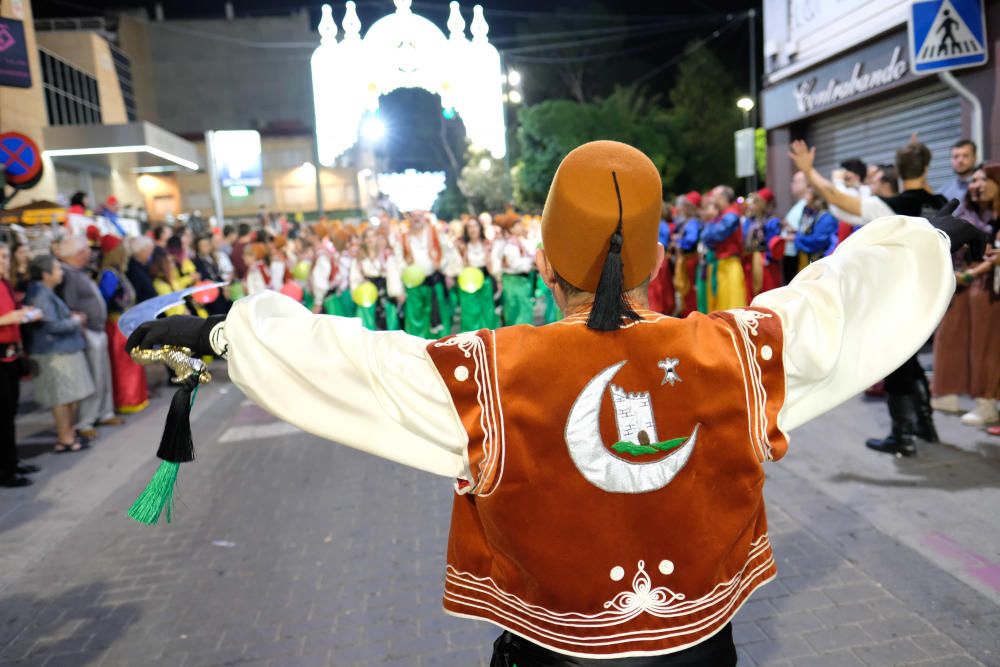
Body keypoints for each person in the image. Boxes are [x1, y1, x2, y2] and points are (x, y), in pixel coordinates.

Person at [127, 139, 985, 665]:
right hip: (701, 653)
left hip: (552, 658)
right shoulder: (735, 352)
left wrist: (224, 336)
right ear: (653, 262)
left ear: (543, 261)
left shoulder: (492, 373)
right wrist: (931, 236)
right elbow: (835, 304)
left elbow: (356, 363)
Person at [790, 138, 949, 456]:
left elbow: (837, 198)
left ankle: (902, 436)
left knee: (896, 363)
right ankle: (925, 425)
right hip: (934, 292)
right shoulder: (941, 202)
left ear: (899, 171)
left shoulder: (890, 207)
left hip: (899, 293)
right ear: (928, 167)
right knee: (912, 358)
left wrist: (809, 170)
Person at [931, 164, 1000, 426]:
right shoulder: (970, 211)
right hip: (964, 282)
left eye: (982, 179)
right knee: (951, 338)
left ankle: (986, 402)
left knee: (985, 347)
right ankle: (946, 392)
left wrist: (972, 273)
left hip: (983, 285)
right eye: (974, 180)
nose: (976, 185)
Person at [24, 255, 94, 453]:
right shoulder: (41, 294)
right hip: (55, 353)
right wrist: (75, 320)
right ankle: (65, 438)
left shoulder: (45, 292)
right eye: (57, 269)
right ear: (46, 274)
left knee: (68, 396)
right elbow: (51, 326)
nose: (61, 272)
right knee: (62, 398)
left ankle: (68, 434)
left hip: (62, 350)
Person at [56, 236, 120, 440]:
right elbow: (70, 306)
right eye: (85, 251)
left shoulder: (77, 273)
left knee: (102, 375)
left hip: (96, 329)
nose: (89, 254)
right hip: (88, 331)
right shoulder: (69, 275)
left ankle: (104, 412)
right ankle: (86, 421)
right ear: (78, 254)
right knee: (93, 377)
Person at [0, 243, 41, 487]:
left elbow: (11, 311)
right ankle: (6, 470)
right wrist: (9, 318)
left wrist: (22, 312)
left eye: (5, 256)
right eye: (1, 257)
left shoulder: (5, 282)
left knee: (10, 414)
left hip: (12, 356)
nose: (4, 261)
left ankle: (11, 461)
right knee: (3, 417)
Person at [97, 235, 149, 414]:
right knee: (124, 365)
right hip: (117, 325)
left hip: (124, 323)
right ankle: (127, 399)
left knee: (131, 363)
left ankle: (135, 397)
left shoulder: (117, 272)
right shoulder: (109, 274)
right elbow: (104, 300)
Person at [700, 185, 746, 311]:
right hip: (720, 266)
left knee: (731, 305)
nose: (712, 200)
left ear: (722, 198)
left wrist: (710, 224)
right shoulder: (723, 216)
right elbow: (706, 237)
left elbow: (714, 235)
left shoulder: (732, 215)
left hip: (729, 266)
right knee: (720, 305)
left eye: (714, 196)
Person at [349, 226, 402, 331]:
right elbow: (354, 278)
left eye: (373, 236)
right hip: (367, 297)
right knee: (367, 328)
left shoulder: (385, 255)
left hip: (385, 296)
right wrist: (357, 291)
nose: (370, 239)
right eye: (367, 237)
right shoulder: (358, 258)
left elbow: (393, 274)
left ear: (377, 238)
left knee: (390, 326)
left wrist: (397, 292)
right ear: (363, 240)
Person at [455, 216, 498, 331]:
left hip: (485, 281)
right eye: (469, 226)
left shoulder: (487, 244)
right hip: (468, 283)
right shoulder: (462, 246)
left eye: (475, 226)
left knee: (487, 313)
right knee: (470, 315)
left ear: (480, 228)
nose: (472, 229)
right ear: (466, 230)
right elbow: (458, 266)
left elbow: (493, 266)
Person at [741, 190, 783, 301]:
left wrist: (768, 259)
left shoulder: (772, 220)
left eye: (755, 202)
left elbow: (772, 242)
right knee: (751, 293)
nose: (751, 205)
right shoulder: (750, 220)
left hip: (766, 261)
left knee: (768, 292)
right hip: (751, 259)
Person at [794, 188, 840, 268]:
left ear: (816, 198)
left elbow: (817, 242)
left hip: (823, 264)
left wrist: (797, 238)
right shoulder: (814, 214)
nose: (804, 197)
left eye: (807, 194)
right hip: (813, 262)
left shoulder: (827, 218)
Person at [782, 171, 808, 284]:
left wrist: (794, 234)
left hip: (798, 254)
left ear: (806, 183)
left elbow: (806, 230)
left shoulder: (807, 206)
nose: (792, 185)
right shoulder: (799, 205)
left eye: (795, 182)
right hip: (790, 253)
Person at [126, 236, 158, 303]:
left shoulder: (142, 265)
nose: (151, 253)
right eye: (149, 250)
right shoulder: (134, 270)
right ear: (140, 251)